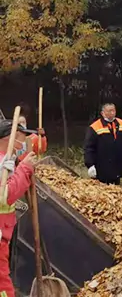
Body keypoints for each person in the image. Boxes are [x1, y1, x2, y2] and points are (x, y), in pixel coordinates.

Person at [0, 119, 38, 297]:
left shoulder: (6, 160)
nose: (24, 141)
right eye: (21, 136)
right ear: (9, 138)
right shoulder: (1, 163)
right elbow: (5, 196)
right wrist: (24, 169)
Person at [83, 103, 122, 185]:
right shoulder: (95, 127)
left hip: (117, 164)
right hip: (101, 166)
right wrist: (90, 165)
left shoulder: (121, 123)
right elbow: (89, 147)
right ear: (103, 113)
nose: (112, 113)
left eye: (113, 110)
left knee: (116, 190)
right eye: (109, 111)